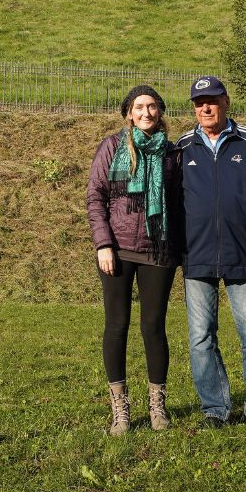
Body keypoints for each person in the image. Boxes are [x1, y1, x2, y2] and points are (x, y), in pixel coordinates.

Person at [177, 76, 246, 428]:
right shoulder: (182, 148)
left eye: (211, 100)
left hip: (245, 254)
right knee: (200, 337)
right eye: (198, 102)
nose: (204, 108)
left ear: (225, 102)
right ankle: (214, 409)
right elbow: (171, 202)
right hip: (197, 255)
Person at [86, 85, 181, 434]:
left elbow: (181, 205)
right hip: (118, 251)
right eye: (139, 106)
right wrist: (103, 244)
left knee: (153, 328)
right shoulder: (111, 147)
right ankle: (120, 407)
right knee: (117, 325)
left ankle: (157, 405)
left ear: (160, 112)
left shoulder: (172, 154)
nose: (146, 112)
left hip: (159, 251)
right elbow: (95, 198)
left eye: (152, 106)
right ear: (128, 113)